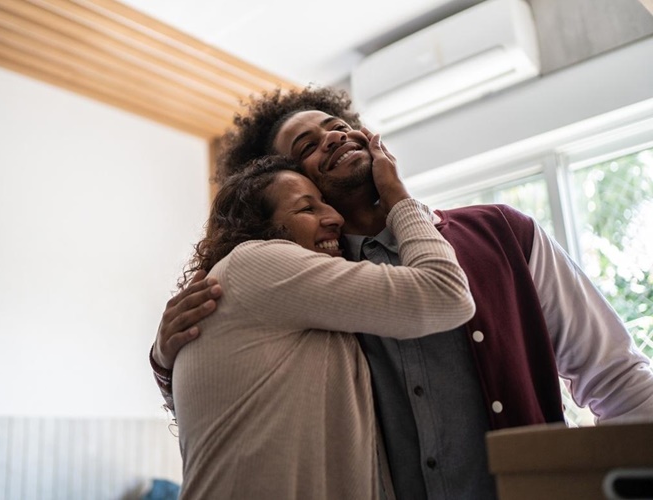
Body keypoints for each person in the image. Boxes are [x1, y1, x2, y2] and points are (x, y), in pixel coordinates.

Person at [151, 87, 653, 499]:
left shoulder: (504, 234)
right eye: (305, 146)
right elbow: (238, 383)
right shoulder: (304, 284)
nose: (332, 138)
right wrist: (165, 355)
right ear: (286, 183)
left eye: (336, 126)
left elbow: (616, 376)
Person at [172, 142, 474, 499]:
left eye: (327, 204)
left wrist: (162, 359)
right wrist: (399, 199)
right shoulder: (258, 262)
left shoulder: (297, 307)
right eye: (306, 208)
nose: (335, 219)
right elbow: (446, 293)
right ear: (260, 227)